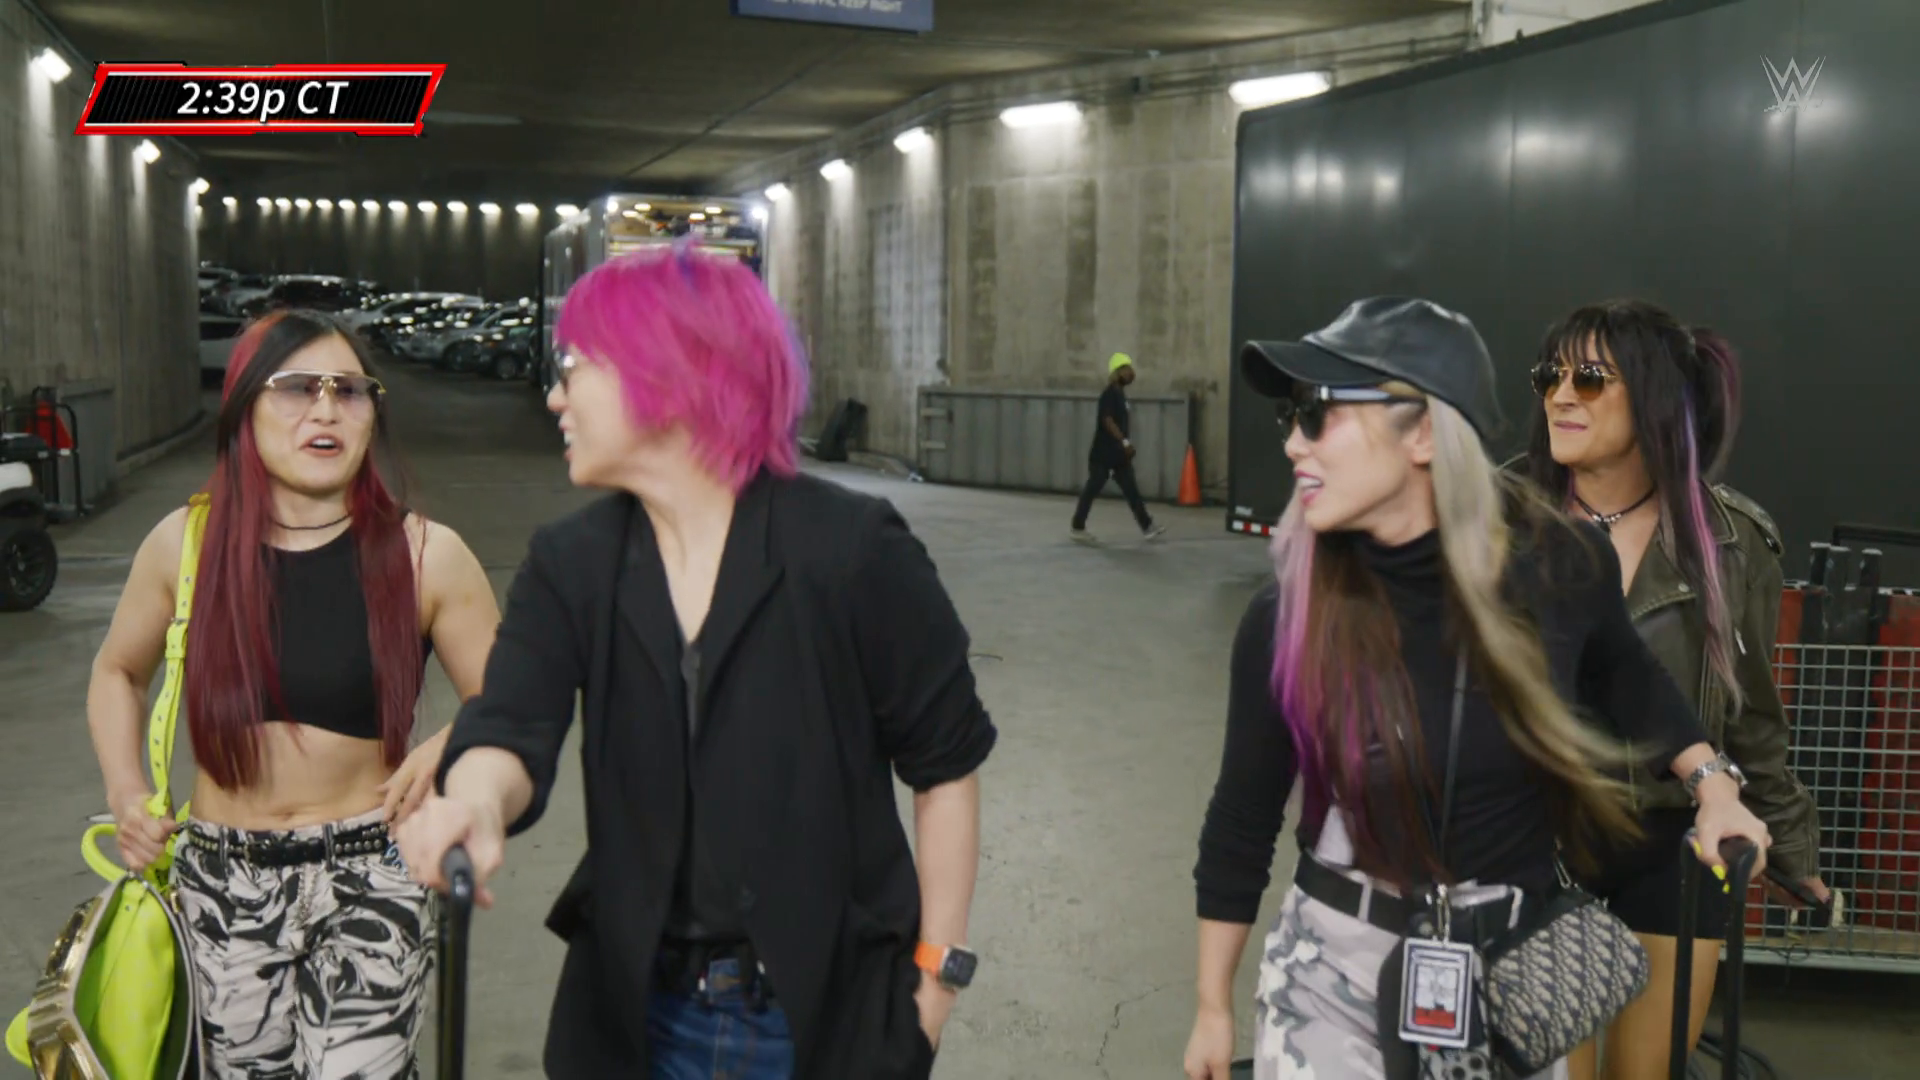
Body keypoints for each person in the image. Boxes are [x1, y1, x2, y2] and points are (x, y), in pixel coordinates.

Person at [395, 246, 998, 1080]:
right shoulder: (573, 563)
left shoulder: (853, 550)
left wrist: (933, 988)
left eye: (574, 368)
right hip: (637, 1020)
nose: (555, 397)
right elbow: (510, 723)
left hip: (821, 1019)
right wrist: (474, 804)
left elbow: (945, 768)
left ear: (666, 371)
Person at [1180, 297, 1772, 1080]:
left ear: (1424, 435)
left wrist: (1714, 786)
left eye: (1319, 412)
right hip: (1333, 974)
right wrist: (1212, 1007)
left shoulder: (1560, 568)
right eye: (1292, 415)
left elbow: (1628, 675)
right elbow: (1241, 820)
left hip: (1511, 967)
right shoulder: (1289, 618)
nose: (1294, 441)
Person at [87, 309, 501, 1077]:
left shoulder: (425, 554)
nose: (326, 409)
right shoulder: (185, 545)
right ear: (244, 407)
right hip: (222, 882)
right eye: (298, 387)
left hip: (370, 872)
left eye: (350, 390)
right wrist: (125, 790)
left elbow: (511, 697)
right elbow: (118, 672)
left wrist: (453, 742)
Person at [1518, 299, 1825, 1080]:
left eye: (1591, 378)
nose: (1561, 395)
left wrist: (1790, 847)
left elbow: (1752, 711)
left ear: (1654, 396)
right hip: (1533, 837)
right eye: (1550, 376)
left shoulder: (1731, 539)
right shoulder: (1496, 515)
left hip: (1672, 846)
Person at [1071, 352, 1167, 543]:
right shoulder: (1109, 394)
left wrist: (1124, 447)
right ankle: (1077, 527)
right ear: (1117, 372)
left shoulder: (1121, 395)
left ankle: (1147, 526)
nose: (1131, 373)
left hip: (1118, 457)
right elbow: (1107, 420)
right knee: (1092, 489)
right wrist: (1125, 442)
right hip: (1102, 455)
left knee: (1131, 490)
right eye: (1127, 369)